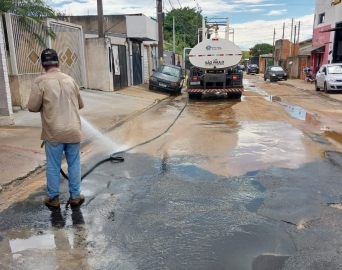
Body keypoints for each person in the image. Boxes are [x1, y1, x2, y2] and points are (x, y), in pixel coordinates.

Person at [28, 48, 85, 209]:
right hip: (73, 130)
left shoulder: (40, 82)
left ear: (43, 65)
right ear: (58, 63)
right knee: (74, 164)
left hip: (54, 133)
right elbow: (80, 105)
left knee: (53, 165)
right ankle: (75, 196)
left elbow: (32, 107)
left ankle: (53, 198)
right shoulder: (71, 80)